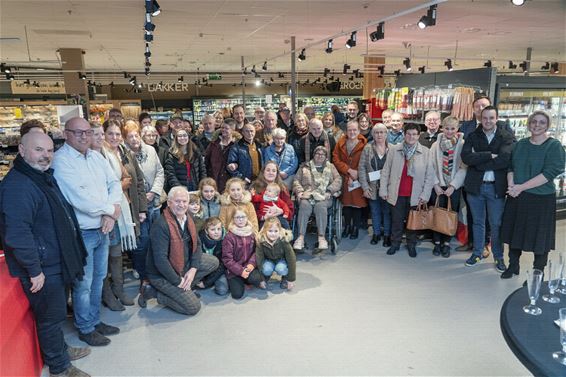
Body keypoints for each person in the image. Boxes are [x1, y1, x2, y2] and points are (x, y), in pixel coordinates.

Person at [0, 132, 90, 377]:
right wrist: (34, 270)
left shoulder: (40, 177)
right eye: (38, 150)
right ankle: (60, 368)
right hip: (42, 267)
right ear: (21, 149)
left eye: (49, 150)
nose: (46, 156)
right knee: (50, 318)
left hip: (54, 261)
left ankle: (60, 350)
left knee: (57, 313)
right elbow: (17, 234)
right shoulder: (18, 186)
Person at [52, 117, 122, 347]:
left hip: (103, 228)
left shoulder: (96, 157)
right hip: (82, 232)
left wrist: (110, 214)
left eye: (87, 132)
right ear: (66, 134)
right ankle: (85, 327)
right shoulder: (61, 161)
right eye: (78, 132)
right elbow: (78, 198)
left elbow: (114, 183)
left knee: (99, 278)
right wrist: (111, 210)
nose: (84, 136)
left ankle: (93, 321)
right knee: (84, 282)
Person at [501, 111, 565, 278]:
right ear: (529, 123)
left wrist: (521, 187)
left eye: (542, 122)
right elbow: (511, 168)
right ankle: (513, 266)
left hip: (541, 199)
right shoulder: (520, 144)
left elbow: (550, 173)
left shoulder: (554, 146)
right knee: (515, 232)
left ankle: (538, 272)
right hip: (517, 196)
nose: (537, 125)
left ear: (547, 125)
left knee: (540, 238)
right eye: (534, 121)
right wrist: (512, 186)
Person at [144, 186, 219, 315]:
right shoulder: (161, 225)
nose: (181, 205)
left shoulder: (188, 218)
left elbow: (198, 245)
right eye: (177, 201)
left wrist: (193, 269)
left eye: (185, 201)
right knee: (193, 307)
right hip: (161, 274)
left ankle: (185, 288)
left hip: (182, 264)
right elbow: (160, 261)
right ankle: (154, 292)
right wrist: (178, 281)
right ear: (169, 203)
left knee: (213, 262)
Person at [101, 119, 148, 310]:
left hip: (127, 210)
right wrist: (120, 185)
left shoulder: (124, 152)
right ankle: (107, 294)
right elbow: (102, 186)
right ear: (104, 135)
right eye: (110, 133)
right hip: (109, 213)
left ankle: (119, 290)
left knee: (118, 254)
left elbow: (138, 182)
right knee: (107, 255)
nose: (114, 137)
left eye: (117, 134)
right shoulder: (100, 154)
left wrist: (142, 208)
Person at [461, 106, 514, 272]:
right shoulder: (472, 135)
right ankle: (477, 253)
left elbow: (505, 160)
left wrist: (478, 161)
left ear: (496, 118)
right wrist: (489, 155)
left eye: (491, 118)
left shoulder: (506, 137)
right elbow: (466, 157)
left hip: (496, 188)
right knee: (477, 222)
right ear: (480, 118)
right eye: (485, 118)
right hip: (475, 187)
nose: (488, 121)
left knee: (496, 224)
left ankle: (499, 257)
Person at [123, 120, 164, 305]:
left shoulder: (151, 150)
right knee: (142, 242)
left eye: (136, 135)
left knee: (156, 239)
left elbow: (160, 172)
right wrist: (141, 199)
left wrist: (153, 192)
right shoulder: (123, 155)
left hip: (154, 203)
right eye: (130, 136)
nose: (134, 139)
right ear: (125, 139)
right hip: (137, 207)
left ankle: (156, 273)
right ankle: (144, 277)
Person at [379, 123, 435, 258]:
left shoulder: (425, 152)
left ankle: (411, 244)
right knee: (396, 221)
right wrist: (383, 190)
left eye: (414, 134)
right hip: (397, 193)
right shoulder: (394, 150)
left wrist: (425, 194)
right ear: (404, 134)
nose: (411, 137)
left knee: (412, 222)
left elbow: (430, 175)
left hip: (415, 194)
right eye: (408, 134)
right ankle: (395, 243)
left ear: (418, 135)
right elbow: (386, 170)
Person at [429, 116, 467, 258]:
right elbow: (430, 166)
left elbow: (464, 167)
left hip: (453, 187)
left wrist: (453, 185)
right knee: (437, 213)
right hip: (438, 186)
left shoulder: (462, 144)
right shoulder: (435, 145)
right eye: (447, 128)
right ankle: (437, 242)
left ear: (457, 129)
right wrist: (435, 184)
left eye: (453, 128)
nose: (449, 131)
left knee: (451, 214)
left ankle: (446, 243)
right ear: (442, 128)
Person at [292, 145, 342, 252]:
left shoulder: (331, 167)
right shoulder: (304, 167)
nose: (320, 156)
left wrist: (329, 190)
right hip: (307, 195)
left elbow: (338, 180)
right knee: (304, 205)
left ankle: (321, 237)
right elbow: (296, 180)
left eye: (322, 154)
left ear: (326, 156)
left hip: (324, 196)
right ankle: (300, 237)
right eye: (317, 154)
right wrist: (300, 191)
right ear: (313, 155)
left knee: (320, 206)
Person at [333, 121, 368, 239]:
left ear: (359, 131)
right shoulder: (340, 143)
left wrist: (356, 174)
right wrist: (348, 171)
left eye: (354, 130)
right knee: (346, 204)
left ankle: (355, 228)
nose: (352, 132)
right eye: (349, 130)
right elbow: (336, 159)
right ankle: (347, 226)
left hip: (359, 177)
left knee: (357, 205)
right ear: (346, 131)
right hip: (344, 176)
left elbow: (366, 161)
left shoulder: (364, 144)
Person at [221, 209, 266, 299]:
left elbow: (256, 251)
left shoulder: (252, 233)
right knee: (237, 295)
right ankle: (241, 280)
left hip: (248, 266)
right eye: (237, 217)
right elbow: (227, 259)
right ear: (233, 219)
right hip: (234, 270)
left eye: (243, 217)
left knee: (256, 278)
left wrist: (251, 264)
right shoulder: (229, 236)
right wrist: (240, 271)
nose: (241, 220)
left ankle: (246, 280)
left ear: (247, 218)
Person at [359, 124, 391, 246]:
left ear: (386, 134)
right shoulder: (367, 148)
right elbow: (361, 168)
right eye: (376, 132)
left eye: (382, 132)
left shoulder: (392, 149)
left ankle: (387, 235)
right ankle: (376, 233)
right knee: (375, 211)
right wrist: (365, 187)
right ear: (373, 134)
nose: (379, 135)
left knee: (387, 212)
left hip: (387, 188)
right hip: (372, 187)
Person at [256, 217, 296, 290]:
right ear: (265, 231)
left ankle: (285, 278)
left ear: (280, 231)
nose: (273, 234)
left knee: (281, 269)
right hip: (268, 260)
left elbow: (291, 259)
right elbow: (259, 260)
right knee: (266, 269)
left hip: (281, 260)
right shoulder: (261, 241)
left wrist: (290, 279)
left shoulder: (284, 241)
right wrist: (261, 279)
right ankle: (266, 276)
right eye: (270, 231)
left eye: (276, 231)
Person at [164, 128, 206, 192]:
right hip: (180, 187)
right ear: (176, 138)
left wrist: (202, 185)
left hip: (195, 185)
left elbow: (202, 170)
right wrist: (179, 188)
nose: (182, 138)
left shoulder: (196, 151)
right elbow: (170, 174)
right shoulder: (171, 154)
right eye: (180, 136)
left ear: (188, 137)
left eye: (185, 135)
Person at [195, 217, 229, 295]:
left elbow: (224, 264)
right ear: (206, 231)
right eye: (213, 230)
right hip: (204, 268)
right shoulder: (200, 239)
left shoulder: (226, 240)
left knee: (222, 290)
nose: (216, 232)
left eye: (219, 229)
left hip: (219, 269)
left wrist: (207, 282)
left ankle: (210, 282)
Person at [205, 121, 234, 193]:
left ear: (232, 130)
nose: (223, 130)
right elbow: (206, 161)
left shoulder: (236, 146)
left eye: (226, 128)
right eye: (222, 128)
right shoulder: (213, 144)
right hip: (214, 180)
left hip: (230, 181)